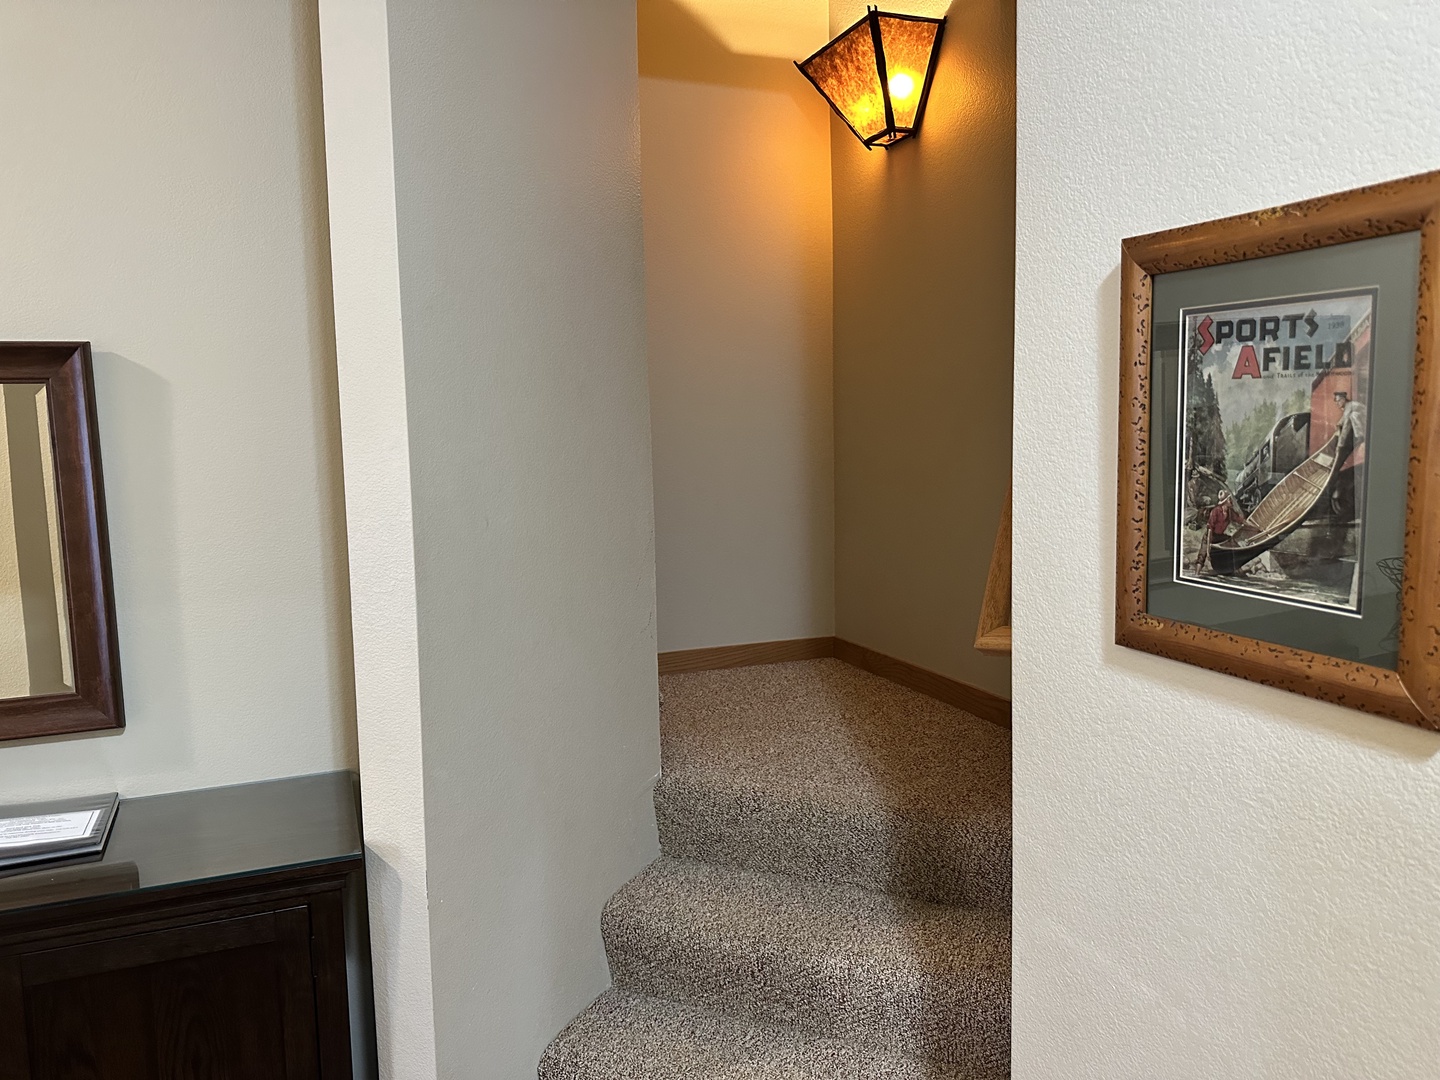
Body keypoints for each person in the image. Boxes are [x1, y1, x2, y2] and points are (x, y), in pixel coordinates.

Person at [1199, 490, 1245, 571]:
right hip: (1210, 536)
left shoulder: (1230, 512)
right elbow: (1210, 530)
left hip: (1219, 536)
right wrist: (1208, 551)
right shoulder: (1215, 511)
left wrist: (1255, 526)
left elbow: (1241, 520)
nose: (1231, 501)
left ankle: (1237, 568)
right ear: (1225, 501)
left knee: (1231, 542)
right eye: (1229, 499)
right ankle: (1197, 572)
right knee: (1202, 556)